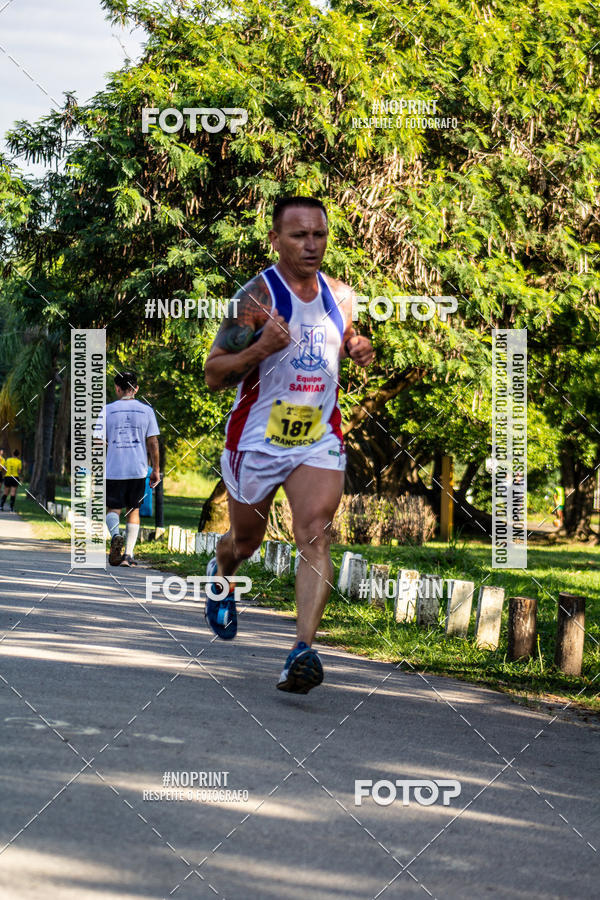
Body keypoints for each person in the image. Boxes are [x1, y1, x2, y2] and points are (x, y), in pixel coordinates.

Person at [204, 196, 374, 693]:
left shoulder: (341, 297)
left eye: (319, 235)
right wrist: (259, 348)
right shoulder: (255, 298)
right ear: (276, 239)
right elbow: (214, 374)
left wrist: (358, 348)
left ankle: (302, 651)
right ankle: (221, 570)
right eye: (299, 235)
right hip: (256, 437)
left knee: (315, 533)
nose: (311, 245)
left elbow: (343, 342)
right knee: (246, 542)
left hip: (317, 435)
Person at [94, 371, 161, 566]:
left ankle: (115, 535)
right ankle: (128, 556)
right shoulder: (147, 411)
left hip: (114, 469)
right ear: (136, 388)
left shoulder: (106, 410)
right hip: (138, 470)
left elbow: (98, 442)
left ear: (117, 388)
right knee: (134, 510)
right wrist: (155, 469)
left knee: (113, 509)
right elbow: (153, 442)